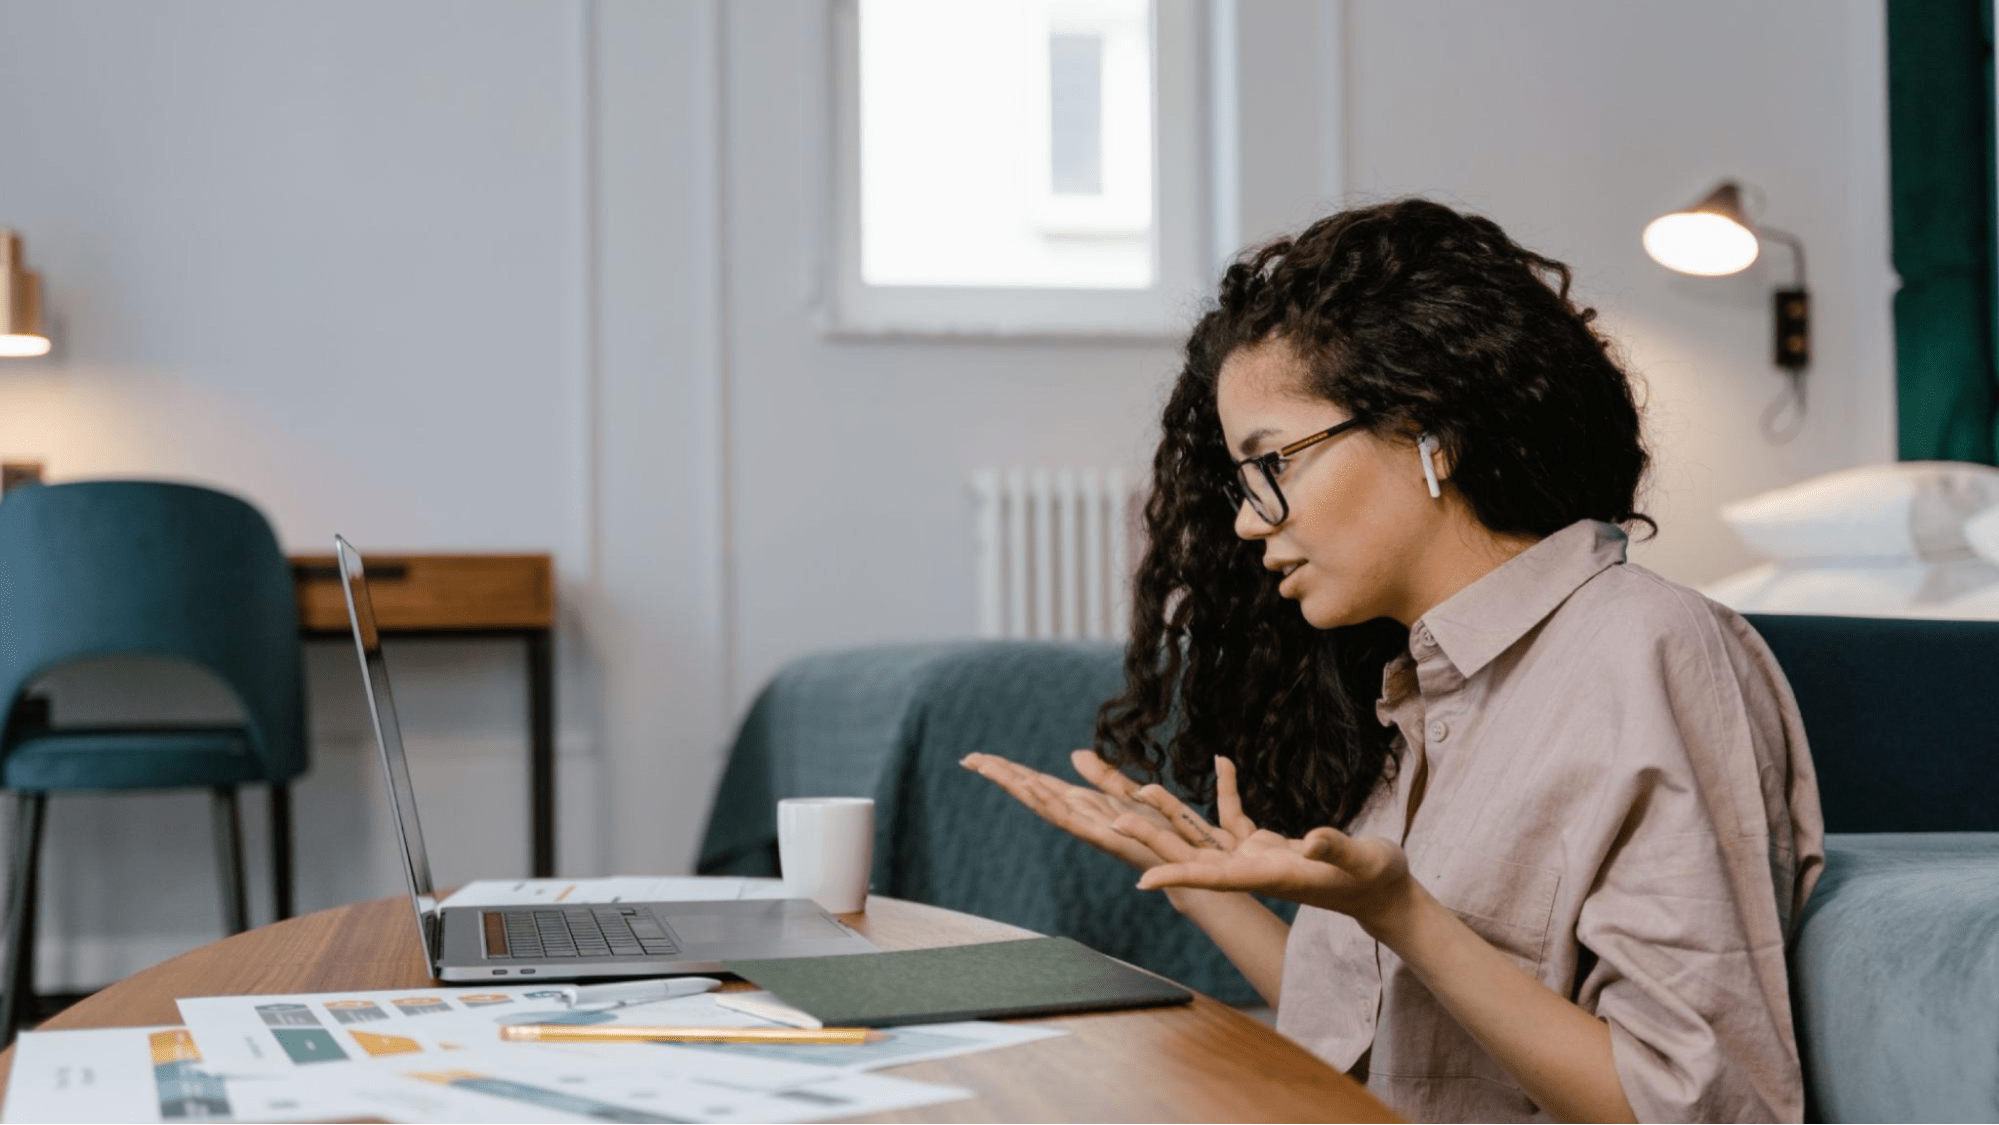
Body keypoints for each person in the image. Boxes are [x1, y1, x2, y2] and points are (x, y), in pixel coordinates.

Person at [962, 198, 1824, 1124]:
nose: (1250, 519)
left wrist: (1406, 917)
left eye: (1273, 464)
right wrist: (1202, 886)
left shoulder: (1646, 649)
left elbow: (1703, 1104)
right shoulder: (1417, 686)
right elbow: (1382, 1042)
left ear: (1427, 431)